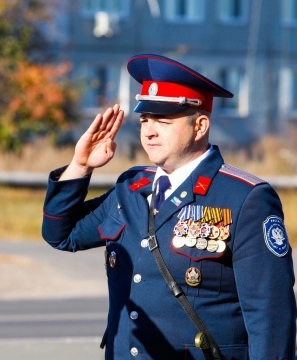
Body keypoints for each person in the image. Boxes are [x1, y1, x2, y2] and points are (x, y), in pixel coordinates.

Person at [42, 54, 296, 359]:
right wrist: (80, 165)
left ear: (200, 125)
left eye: (162, 120)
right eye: (145, 119)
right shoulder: (131, 188)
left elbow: (270, 315)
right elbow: (62, 233)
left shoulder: (245, 198)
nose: (149, 131)